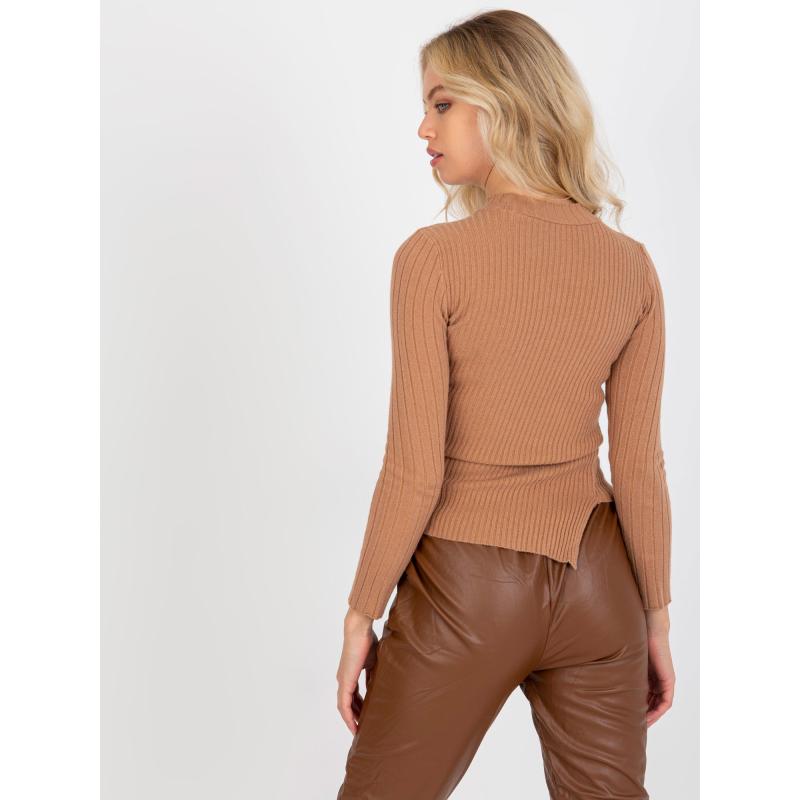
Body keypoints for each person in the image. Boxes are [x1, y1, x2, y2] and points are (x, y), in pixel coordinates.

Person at [336, 9, 676, 799]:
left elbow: (413, 469)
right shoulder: (631, 267)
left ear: (506, 103)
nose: (423, 127)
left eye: (442, 102)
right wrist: (655, 617)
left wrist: (361, 616)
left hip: (466, 588)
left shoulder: (432, 260)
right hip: (601, 588)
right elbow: (639, 467)